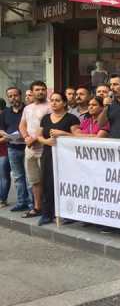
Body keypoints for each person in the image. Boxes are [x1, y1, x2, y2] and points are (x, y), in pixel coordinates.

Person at [36, 91, 80, 226]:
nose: (54, 103)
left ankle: (66, 213)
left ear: (64, 103)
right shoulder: (45, 118)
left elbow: (78, 137)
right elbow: (39, 136)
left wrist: (63, 133)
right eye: (52, 100)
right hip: (48, 155)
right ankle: (46, 214)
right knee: (47, 183)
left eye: (57, 100)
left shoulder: (71, 118)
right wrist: (46, 142)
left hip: (67, 158)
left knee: (65, 185)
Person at [19, 81, 50, 219]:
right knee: (34, 181)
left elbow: (46, 127)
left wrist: (33, 139)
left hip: (45, 148)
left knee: (47, 180)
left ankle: (49, 209)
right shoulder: (28, 108)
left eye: (43, 89)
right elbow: (22, 124)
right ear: (31, 91)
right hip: (30, 149)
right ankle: (37, 207)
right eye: (37, 89)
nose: (41, 92)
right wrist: (26, 137)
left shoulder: (50, 107)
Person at [0, 87, 31, 212]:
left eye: (15, 95)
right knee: (18, 177)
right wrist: (6, 135)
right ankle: (21, 202)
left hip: (27, 146)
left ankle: (32, 203)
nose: (13, 98)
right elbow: (1, 128)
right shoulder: (5, 113)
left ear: (20, 95)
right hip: (12, 147)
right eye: (10, 96)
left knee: (29, 177)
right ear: (8, 98)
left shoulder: (28, 110)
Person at [0, 98, 9, 208]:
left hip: (4, 151)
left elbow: (7, 136)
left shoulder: (4, 117)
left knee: (4, 177)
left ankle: (3, 199)